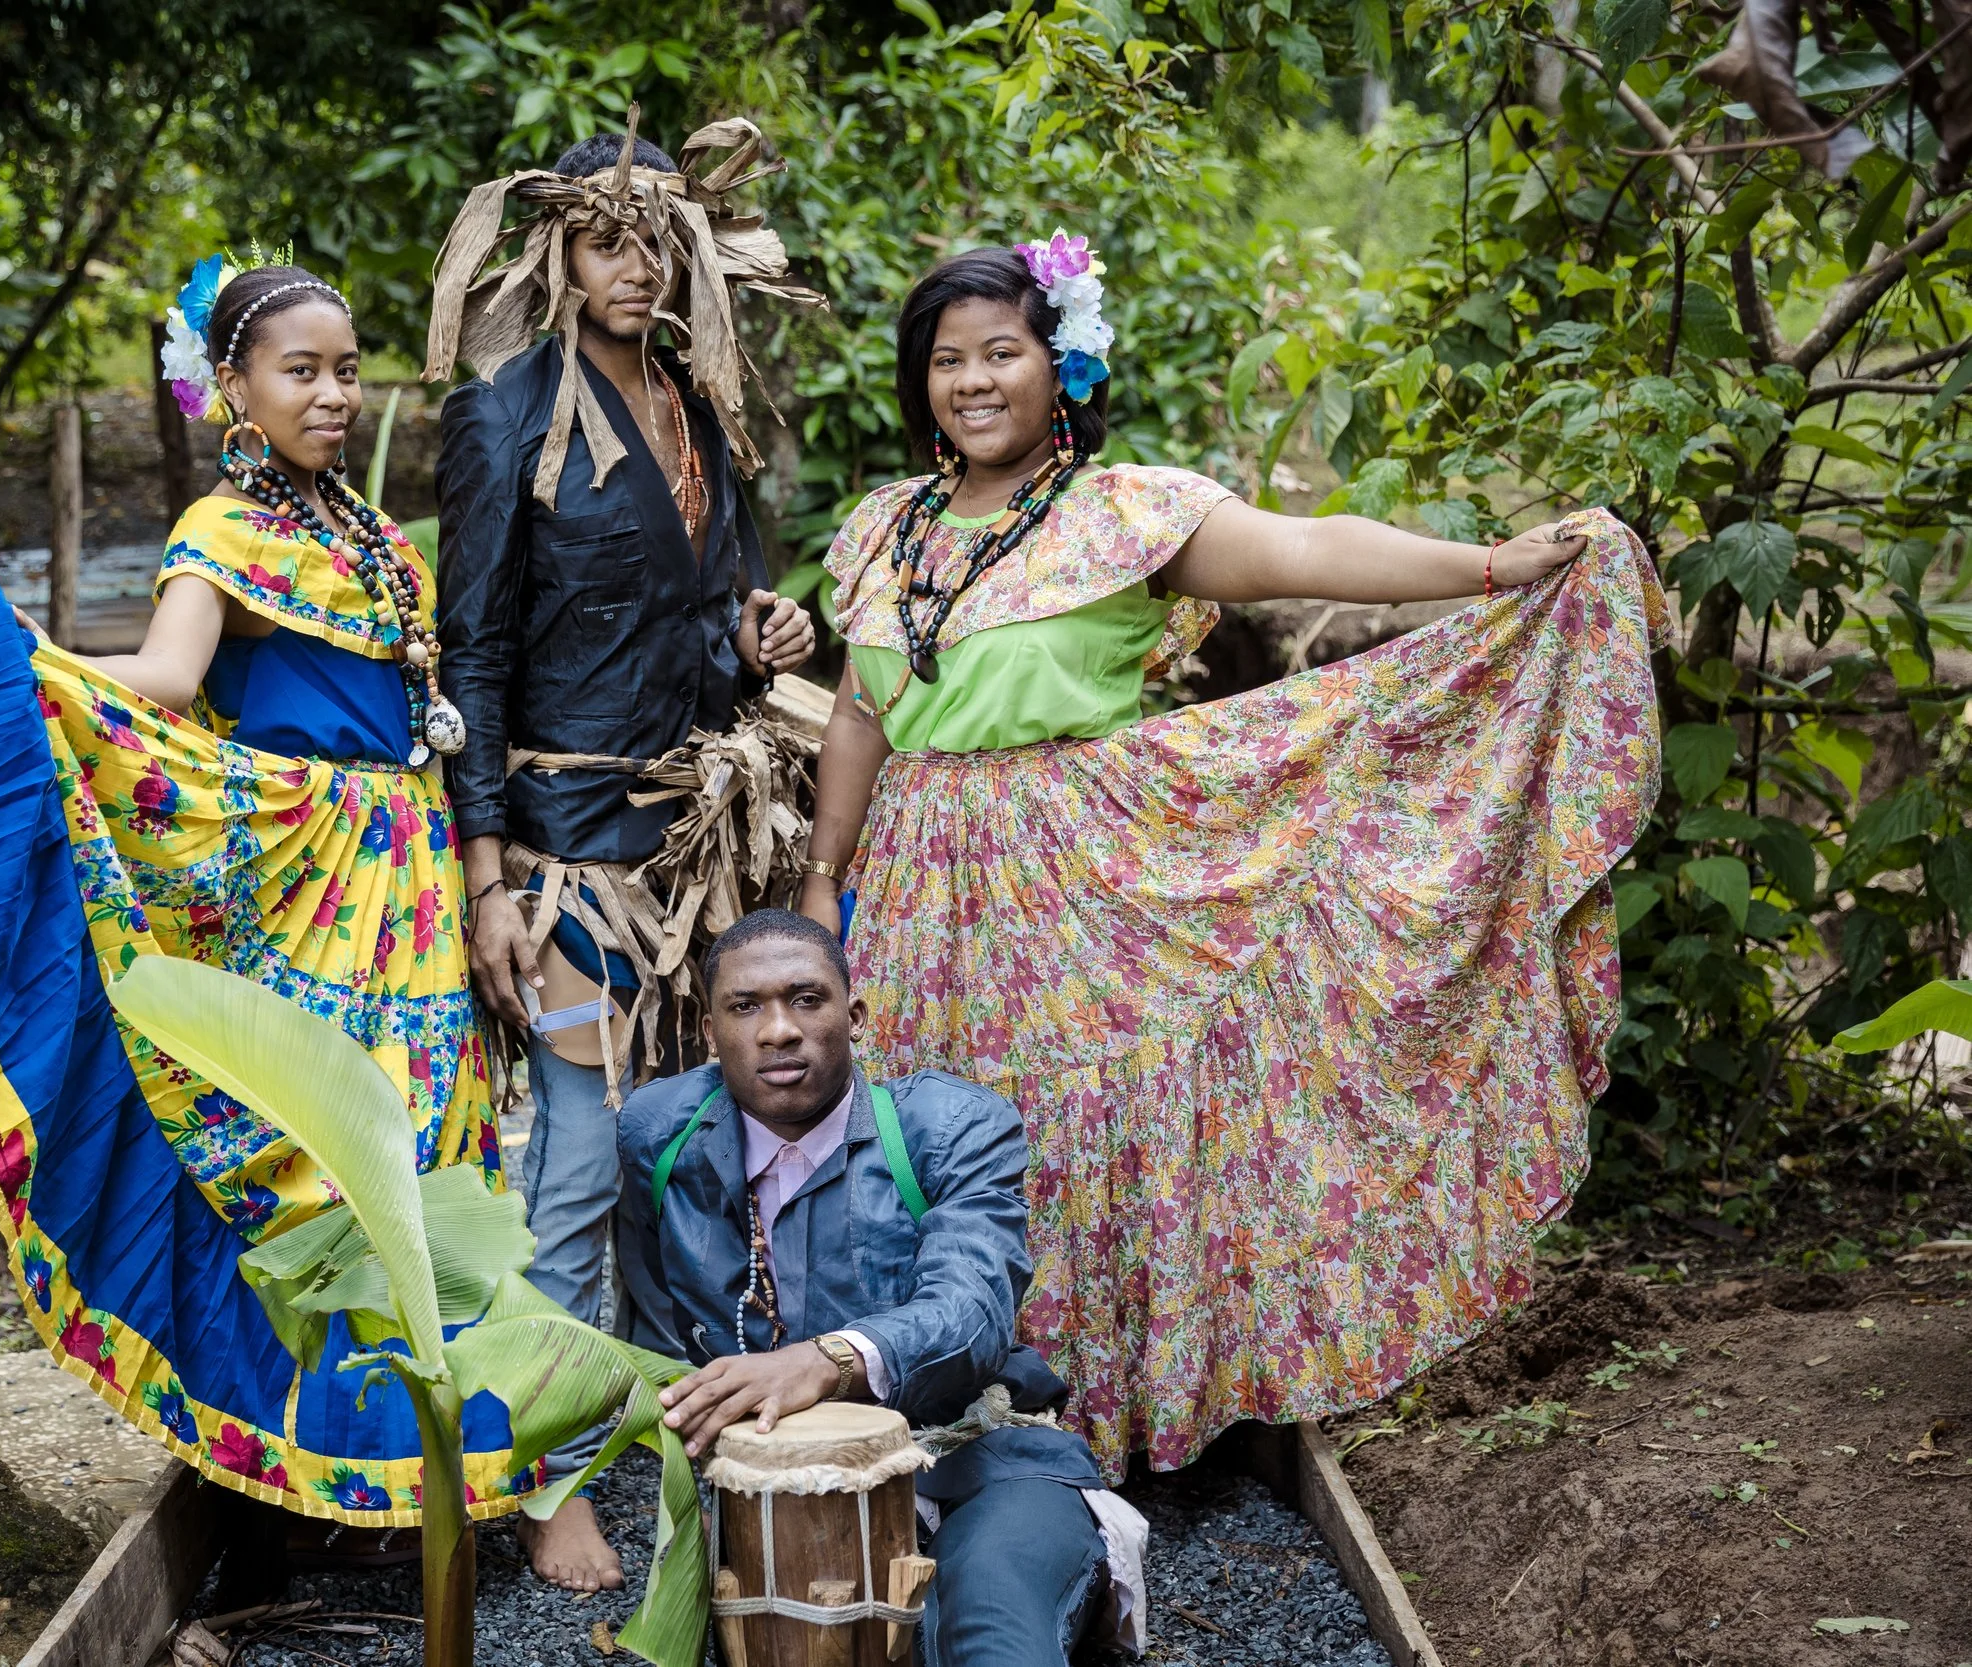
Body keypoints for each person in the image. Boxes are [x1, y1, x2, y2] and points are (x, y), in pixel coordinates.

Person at [794, 237, 1665, 1480]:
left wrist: (1490, 569)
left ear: (1062, 369)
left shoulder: (1119, 515)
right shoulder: (888, 529)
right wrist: (826, 874)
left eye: (1002, 352)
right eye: (946, 360)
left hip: (1084, 872)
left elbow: (1308, 551)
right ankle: (939, 1405)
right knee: (925, 1122)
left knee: (1082, 1124)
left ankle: (1088, 1425)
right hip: (922, 883)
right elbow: (859, 713)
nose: (973, 381)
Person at [0, 252, 529, 1547]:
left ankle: (468, 1459)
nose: (332, 396)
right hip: (299, 868)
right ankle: (325, 1458)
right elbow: (164, 675)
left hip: (414, 869)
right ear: (235, 387)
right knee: (318, 1157)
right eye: (300, 372)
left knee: (439, 1142)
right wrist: (31, 674)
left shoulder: (377, 539)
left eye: (345, 371)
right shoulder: (222, 531)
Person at [426, 117, 818, 1586]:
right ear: (556, 249)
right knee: (582, 1162)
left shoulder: (700, 411)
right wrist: (489, 878)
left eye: (655, 238)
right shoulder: (504, 416)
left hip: (697, 847)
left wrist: (765, 629)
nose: (633, 265)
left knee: (676, 1153)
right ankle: (543, 1477)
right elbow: (472, 653)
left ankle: (663, 1421)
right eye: (604, 238)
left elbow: (708, 611)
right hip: (569, 851)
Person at [615, 909, 1150, 1665]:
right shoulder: (657, 1133)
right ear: (709, 1032)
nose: (778, 1029)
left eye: (807, 999)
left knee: (987, 1621)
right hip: (781, 1490)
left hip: (977, 1463)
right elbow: (656, 1291)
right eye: (745, 1006)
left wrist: (823, 1360)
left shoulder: (950, 1125)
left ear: (854, 1014)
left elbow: (973, 1308)